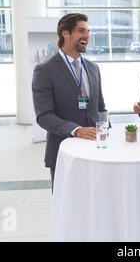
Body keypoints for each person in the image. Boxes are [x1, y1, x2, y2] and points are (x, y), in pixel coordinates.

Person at [32, 13, 108, 190]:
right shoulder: (44, 70)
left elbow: (101, 108)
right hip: (63, 152)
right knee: (66, 209)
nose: (87, 36)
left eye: (88, 31)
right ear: (65, 34)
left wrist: (106, 135)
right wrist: (76, 130)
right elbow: (44, 116)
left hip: (96, 152)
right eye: (81, 31)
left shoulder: (93, 68)